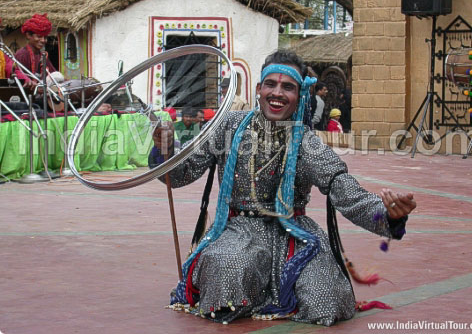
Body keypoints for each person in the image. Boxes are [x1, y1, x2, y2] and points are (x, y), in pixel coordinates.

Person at [151, 50, 416, 326]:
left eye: (288, 87)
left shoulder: (306, 142)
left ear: (300, 94)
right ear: (259, 89)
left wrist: (387, 214)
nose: (277, 93)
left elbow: (343, 189)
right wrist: (166, 149)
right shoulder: (228, 126)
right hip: (238, 231)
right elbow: (181, 174)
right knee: (227, 272)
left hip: (295, 233)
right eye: (271, 84)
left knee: (326, 300)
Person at [15, 14, 57, 85]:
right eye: (39, 36)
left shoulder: (42, 55)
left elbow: (52, 74)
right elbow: (19, 79)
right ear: (28, 35)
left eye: (45, 37)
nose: (43, 40)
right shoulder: (22, 55)